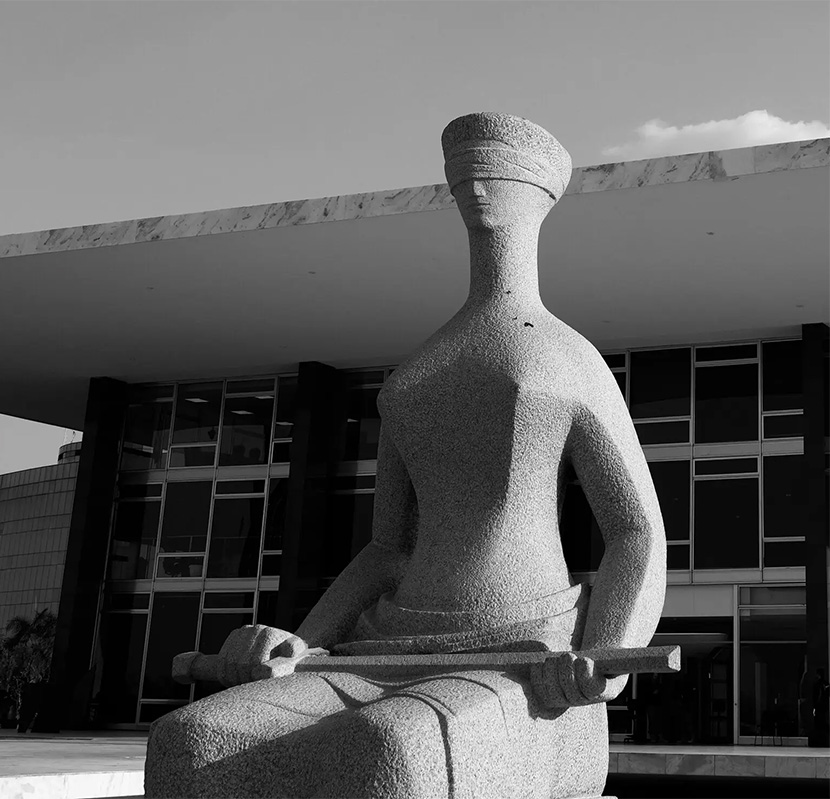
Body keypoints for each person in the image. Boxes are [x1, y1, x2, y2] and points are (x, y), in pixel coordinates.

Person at [146, 113, 667, 799]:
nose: (476, 187)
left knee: (388, 749)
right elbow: (388, 547)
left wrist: (603, 657)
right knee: (190, 742)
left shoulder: (568, 358)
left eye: (494, 172)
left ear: (538, 195)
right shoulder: (416, 372)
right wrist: (302, 641)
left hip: (522, 651)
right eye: (463, 175)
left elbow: (636, 528)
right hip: (381, 642)